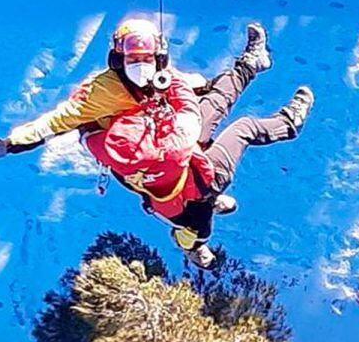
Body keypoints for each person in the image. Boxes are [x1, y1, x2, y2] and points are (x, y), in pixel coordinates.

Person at [0, 16, 272, 163]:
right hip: (134, 155)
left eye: (146, 58)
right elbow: (57, 120)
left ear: (159, 58)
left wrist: (211, 85)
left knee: (215, 103)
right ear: (118, 59)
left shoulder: (163, 76)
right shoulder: (102, 90)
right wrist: (9, 144)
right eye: (132, 58)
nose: (141, 64)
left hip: (167, 136)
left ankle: (250, 63)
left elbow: (193, 84)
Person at [86, 83, 314, 268]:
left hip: (185, 170)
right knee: (244, 128)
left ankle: (247, 68)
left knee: (209, 108)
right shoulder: (187, 213)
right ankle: (288, 123)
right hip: (207, 178)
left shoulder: (115, 153)